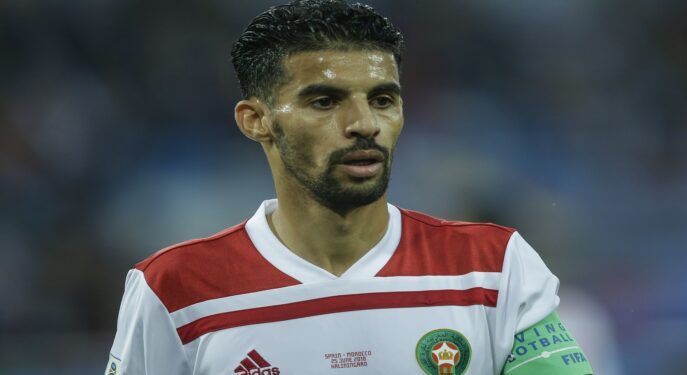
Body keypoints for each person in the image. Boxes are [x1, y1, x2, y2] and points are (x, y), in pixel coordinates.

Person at [105, 1, 594, 374]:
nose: (364, 123)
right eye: (324, 101)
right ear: (256, 121)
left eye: (383, 99)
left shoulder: (494, 268)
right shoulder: (173, 289)